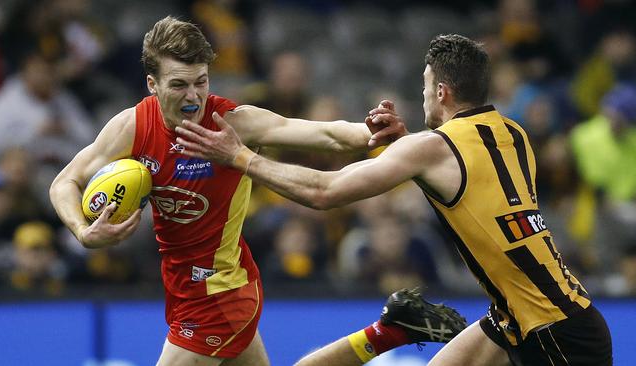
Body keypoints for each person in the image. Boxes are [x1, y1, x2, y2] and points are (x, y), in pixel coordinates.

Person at [176, 34, 613, 366]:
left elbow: (322, 191)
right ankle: (385, 335)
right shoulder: (514, 135)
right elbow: (477, 191)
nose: (422, 94)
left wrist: (238, 156)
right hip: (537, 316)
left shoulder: (432, 149)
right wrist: (408, 149)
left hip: (553, 335)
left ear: (441, 92)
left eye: (425, 86)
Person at [48, 16, 414, 366]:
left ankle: (387, 332)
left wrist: (370, 131)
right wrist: (83, 231)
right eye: (179, 85)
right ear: (152, 84)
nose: (194, 97)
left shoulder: (232, 122)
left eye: (201, 82)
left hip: (222, 294)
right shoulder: (131, 127)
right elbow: (64, 181)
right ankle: (385, 333)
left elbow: (324, 134)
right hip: (181, 291)